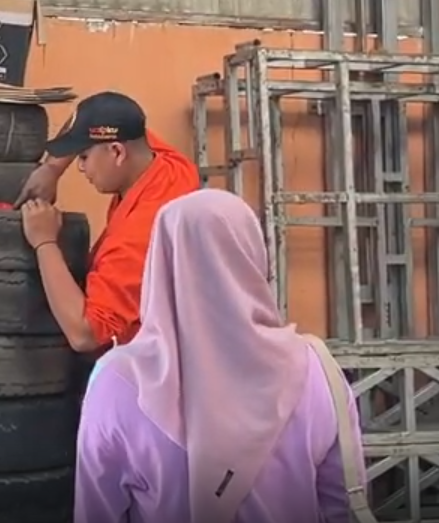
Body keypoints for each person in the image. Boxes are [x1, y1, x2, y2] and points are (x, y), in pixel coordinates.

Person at [75, 189, 367, 523]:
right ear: (254, 256)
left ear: (161, 260)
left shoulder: (119, 382)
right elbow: (341, 505)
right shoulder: (317, 369)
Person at [17, 91, 201, 353]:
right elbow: (101, 112)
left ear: (116, 152)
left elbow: (84, 336)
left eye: (83, 157)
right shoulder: (164, 162)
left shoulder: (138, 237)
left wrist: (44, 242)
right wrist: (53, 168)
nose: (81, 168)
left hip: (156, 362)